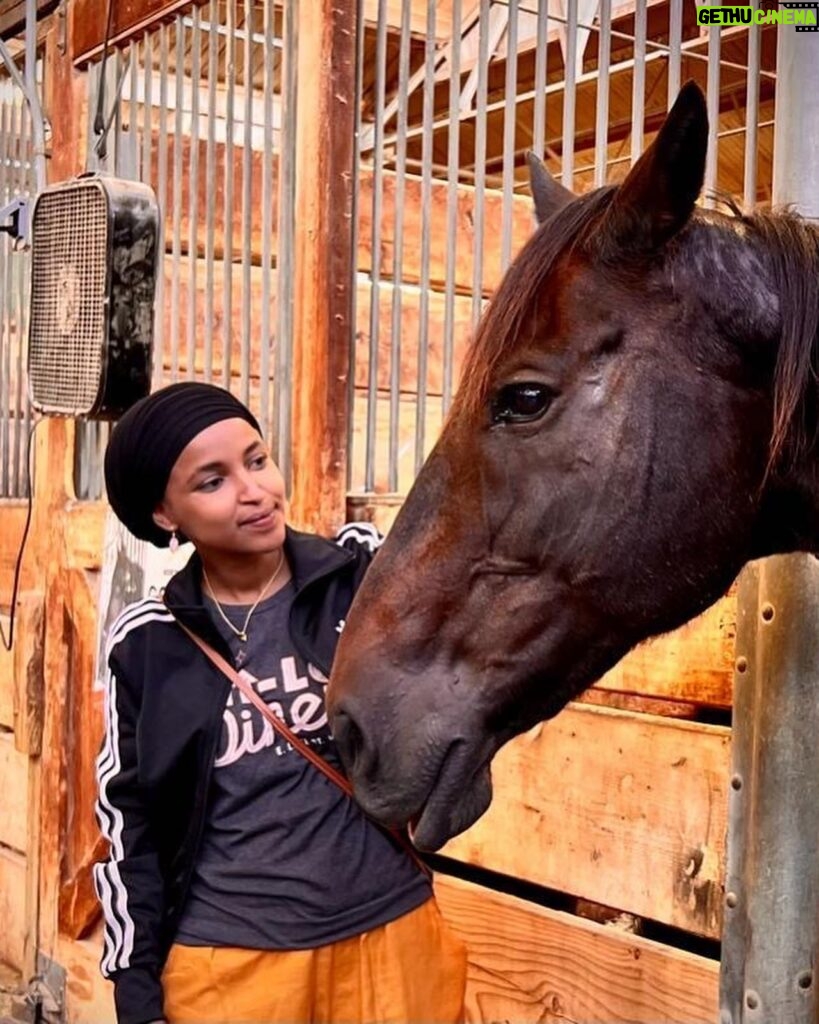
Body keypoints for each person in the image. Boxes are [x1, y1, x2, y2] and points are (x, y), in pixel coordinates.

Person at [95, 381, 467, 1024]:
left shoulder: (360, 580)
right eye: (212, 482)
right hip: (233, 971)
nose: (254, 491)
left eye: (257, 459)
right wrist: (137, 992)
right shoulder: (151, 646)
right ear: (165, 513)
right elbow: (130, 827)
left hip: (392, 943)